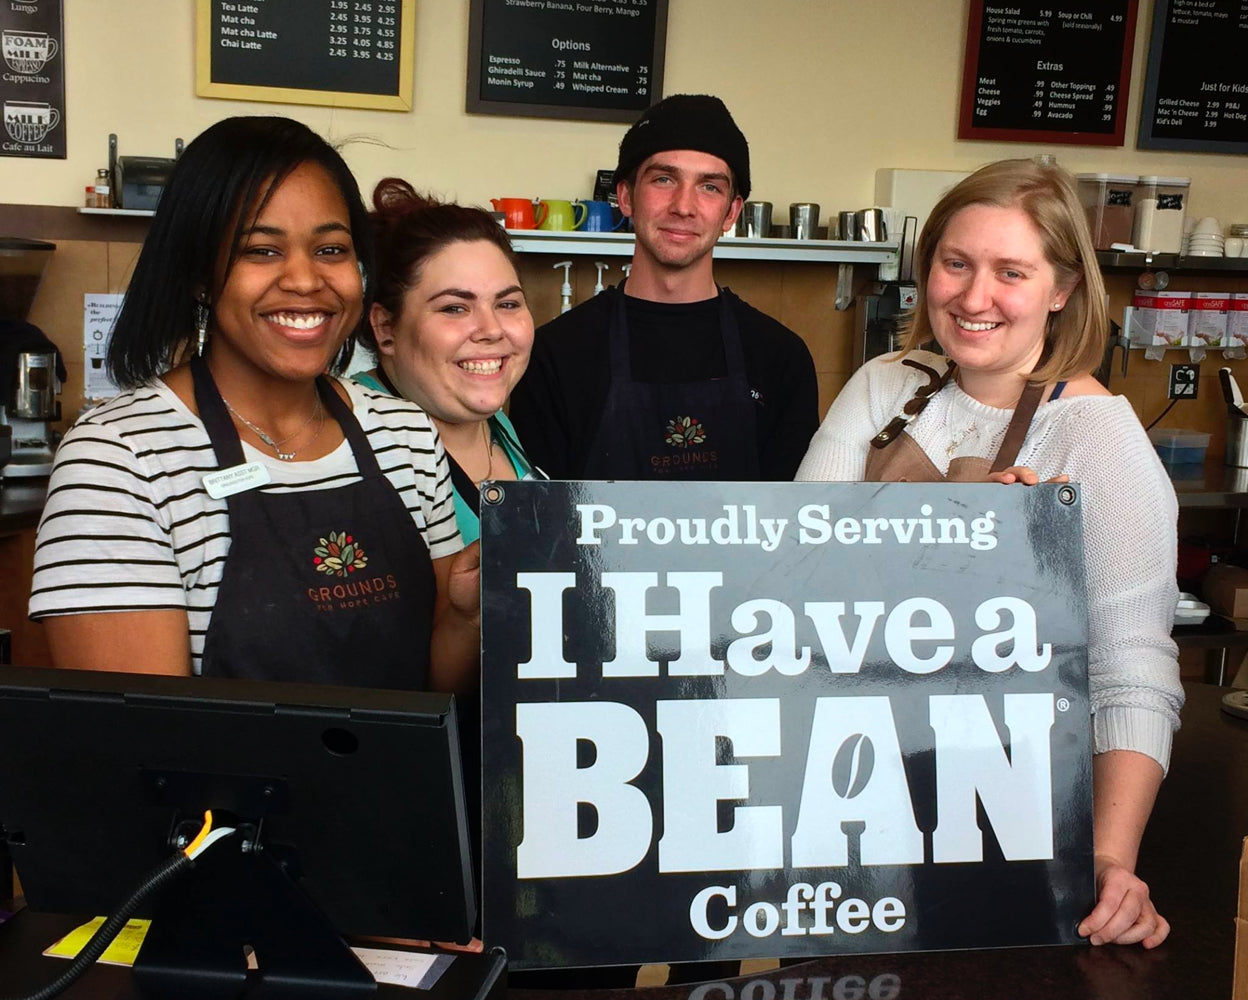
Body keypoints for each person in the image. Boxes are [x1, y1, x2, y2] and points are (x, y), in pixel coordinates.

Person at [796, 158, 1184, 948]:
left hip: (1009, 810)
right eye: (956, 263)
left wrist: (1108, 859)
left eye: (1012, 271)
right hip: (851, 786)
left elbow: (1133, 669)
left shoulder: (1094, 437)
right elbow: (793, 572)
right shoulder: (882, 386)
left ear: (1063, 288)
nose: (975, 298)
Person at [29, 116, 480, 694]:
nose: (305, 280)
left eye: (331, 248)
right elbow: (142, 741)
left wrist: (468, 615)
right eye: (262, 250)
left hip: (407, 783)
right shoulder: (118, 460)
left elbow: (440, 688)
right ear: (199, 276)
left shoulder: (405, 434)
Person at [508, 93, 818, 482]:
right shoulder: (554, 356)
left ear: (731, 212)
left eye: (709, 187)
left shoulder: (780, 358)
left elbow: (794, 525)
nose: (683, 206)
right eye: (664, 179)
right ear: (625, 196)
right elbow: (540, 524)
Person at [354, 179, 539, 543]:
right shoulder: (357, 441)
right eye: (455, 308)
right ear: (386, 327)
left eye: (507, 304)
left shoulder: (496, 424)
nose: (491, 330)